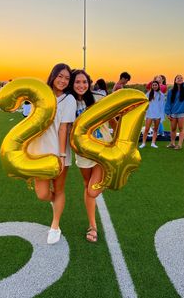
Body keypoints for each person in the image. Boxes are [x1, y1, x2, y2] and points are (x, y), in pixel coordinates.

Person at [27, 63, 77, 244]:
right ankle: (56, 202)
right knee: (42, 194)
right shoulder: (41, 95)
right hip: (39, 152)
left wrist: (62, 155)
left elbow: (64, 128)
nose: (63, 81)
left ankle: (55, 225)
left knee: (59, 189)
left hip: (58, 151)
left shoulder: (69, 100)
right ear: (53, 75)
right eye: (60, 76)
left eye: (67, 78)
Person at [70, 69, 112, 243]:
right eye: (77, 82)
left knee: (92, 191)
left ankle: (113, 175)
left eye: (84, 82)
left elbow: (115, 118)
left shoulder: (99, 98)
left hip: (103, 148)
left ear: (89, 83)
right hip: (83, 153)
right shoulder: (68, 103)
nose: (81, 85)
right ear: (72, 84)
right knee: (87, 185)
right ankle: (92, 225)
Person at [139, 81, 165, 149]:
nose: (154, 86)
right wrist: (145, 112)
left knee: (155, 130)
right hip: (150, 114)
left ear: (158, 86)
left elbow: (162, 106)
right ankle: (143, 143)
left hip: (158, 115)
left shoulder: (161, 95)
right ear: (151, 86)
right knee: (146, 129)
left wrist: (162, 116)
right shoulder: (148, 94)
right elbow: (144, 103)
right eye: (153, 85)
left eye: (156, 85)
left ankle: (153, 143)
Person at [165, 75, 184, 150]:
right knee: (173, 128)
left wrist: (183, 83)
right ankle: (172, 143)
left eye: (181, 78)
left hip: (182, 112)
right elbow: (168, 103)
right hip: (173, 113)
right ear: (175, 80)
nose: (180, 79)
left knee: (181, 128)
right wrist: (168, 113)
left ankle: (179, 145)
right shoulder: (171, 91)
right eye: (178, 78)